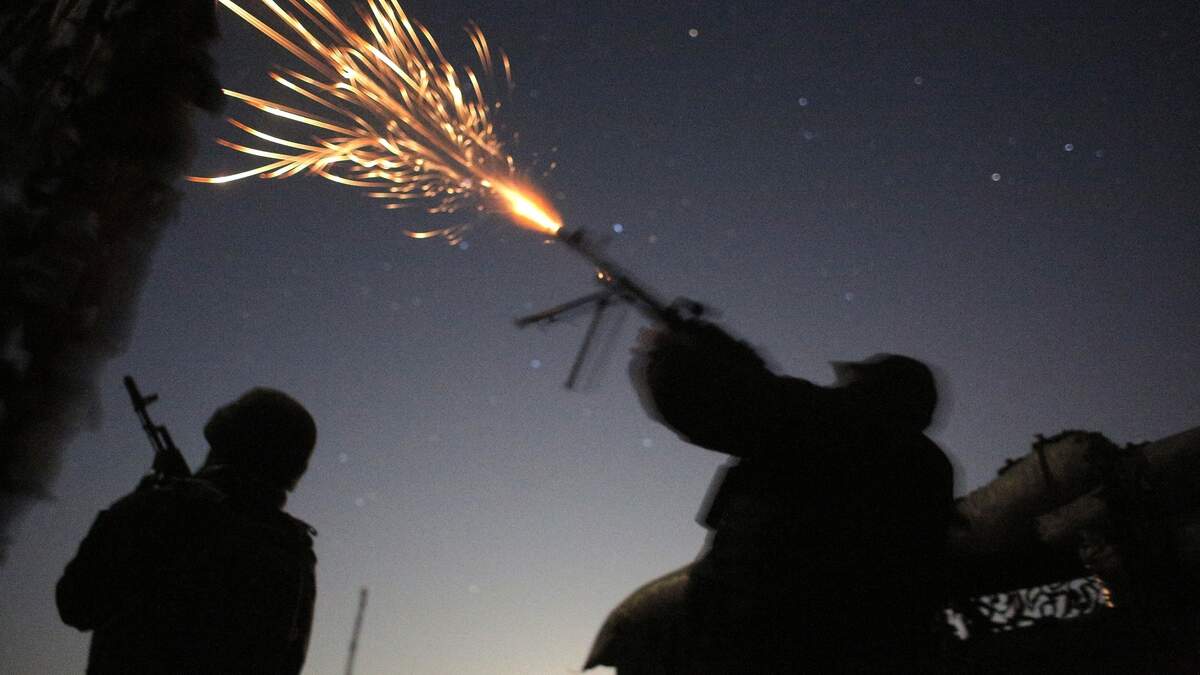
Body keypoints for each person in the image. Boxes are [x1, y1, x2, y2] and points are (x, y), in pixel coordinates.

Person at [629, 319, 955, 671]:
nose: (841, 382)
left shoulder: (827, 418)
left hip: (759, 636)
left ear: (874, 388)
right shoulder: (931, 467)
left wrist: (672, 354)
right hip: (869, 649)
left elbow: (717, 404)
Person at [57, 388, 319, 674]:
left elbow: (76, 603)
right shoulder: (295, 550)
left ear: (224, 443)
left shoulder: (162, 508)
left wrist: (142, 500)